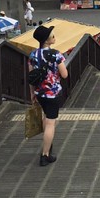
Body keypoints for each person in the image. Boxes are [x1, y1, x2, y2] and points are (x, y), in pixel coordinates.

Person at [29, 25, 68, 166]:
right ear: (47, 40)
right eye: (52, 35)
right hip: (53, 93)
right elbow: (64, 74)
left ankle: (47, 143)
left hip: (39, 92)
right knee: (51, 123)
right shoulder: (56, 55)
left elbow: (31, 76)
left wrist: (32, 93)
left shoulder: (33, 54)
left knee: (46, 117)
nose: (54, 37)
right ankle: (45, 154)